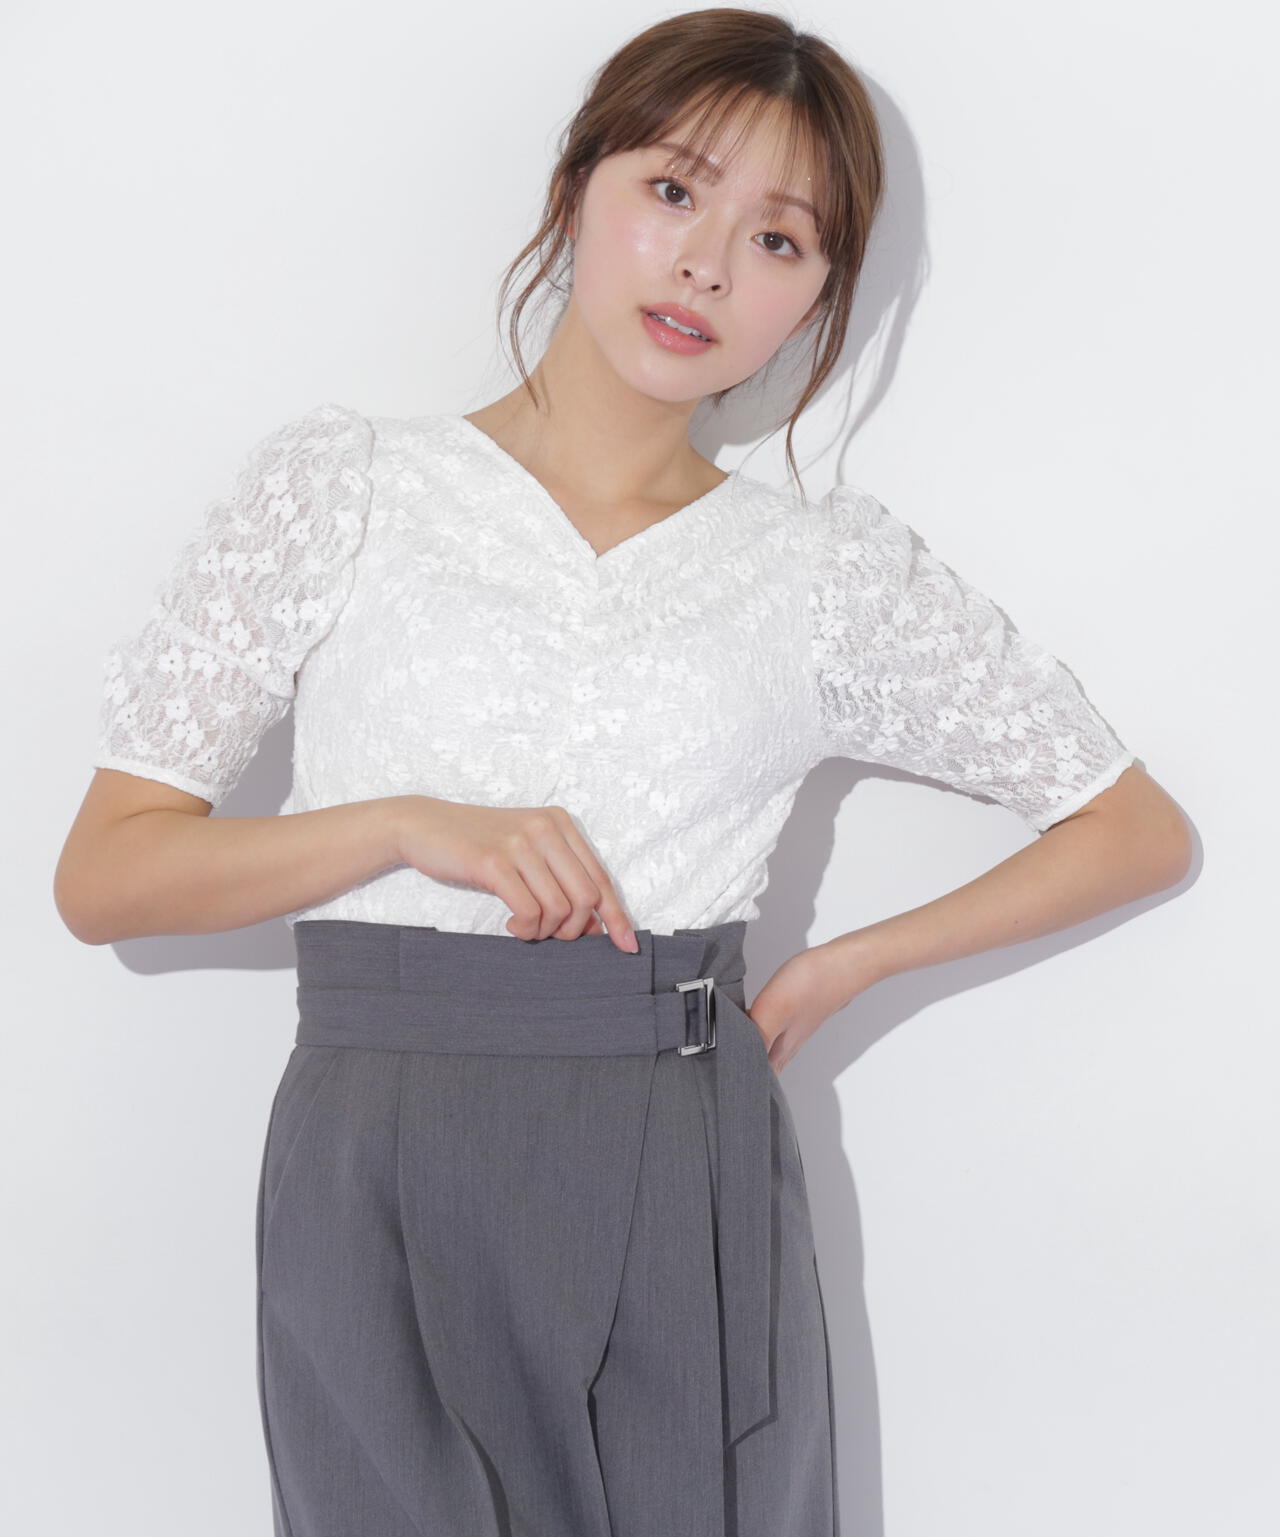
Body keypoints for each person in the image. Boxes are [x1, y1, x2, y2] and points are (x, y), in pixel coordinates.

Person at [54, 9, 1191, 1536]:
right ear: (576, 187)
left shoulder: (820, 572)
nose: (709, 266)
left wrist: (845, 964)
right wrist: (404, 826)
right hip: (379, 1146)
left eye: (778, 238)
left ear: (817, 296)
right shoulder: (351, 487)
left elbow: (1129, 826)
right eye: (673, 191)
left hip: (679, 1137)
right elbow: (108, 874)